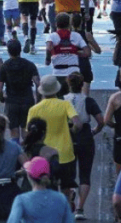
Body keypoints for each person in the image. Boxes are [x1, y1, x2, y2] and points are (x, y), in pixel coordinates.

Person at [26, 75, 81, 203]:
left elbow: (28, 132)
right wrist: (72, 131)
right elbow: (78, 123)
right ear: (57, 89)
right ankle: (66, 206)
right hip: (65, 153)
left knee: (45, 185)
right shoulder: (65, 104)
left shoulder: (34, 109)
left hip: (44, 155)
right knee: (66, 186)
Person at [63, 71, 103, 219]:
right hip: (85, 134)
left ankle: (69, 198)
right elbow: (101, 120)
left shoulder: (63, 100)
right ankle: (80, 208)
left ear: (68, 84)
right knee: (85, 174)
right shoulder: (88, 101)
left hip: (68, 134)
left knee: (68, 172)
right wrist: (95, 131)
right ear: (82, 86)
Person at [0, 39, 40, 140]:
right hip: (27, 101)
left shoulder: (4, 67)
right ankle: (27, 152)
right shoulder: (30, 65)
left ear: (8, 51)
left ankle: (16, 154)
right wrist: (38, 99)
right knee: (26, 132)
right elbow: (38, 84)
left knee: (14, 133)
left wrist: (2, 98)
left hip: (11, 102)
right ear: (20, 50)